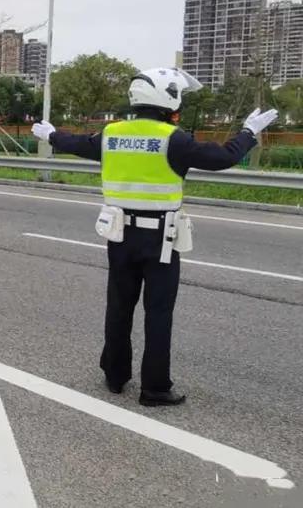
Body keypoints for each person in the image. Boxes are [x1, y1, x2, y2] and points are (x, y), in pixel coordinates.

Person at [32, 67, 278, 407]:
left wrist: (51, 134)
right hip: (160, 240)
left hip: (118, 235)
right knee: (158, 312)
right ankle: (155, 389)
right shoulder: (172, 139)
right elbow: (222, 157)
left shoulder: (112, 133)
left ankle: (115, 376)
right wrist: (249, 131)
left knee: (119, 306)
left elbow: (76, 143)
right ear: (169, 97)